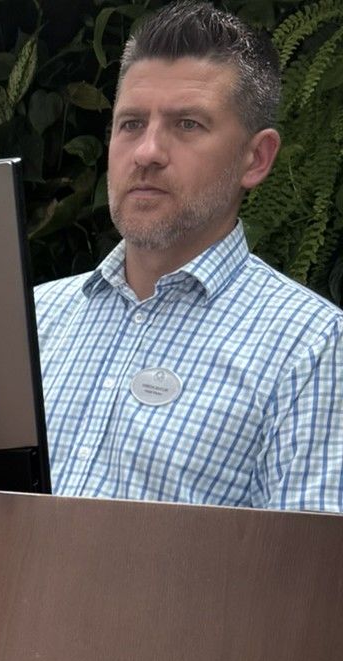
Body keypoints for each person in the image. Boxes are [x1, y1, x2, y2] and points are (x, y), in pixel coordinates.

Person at [34, 1, 343, 510]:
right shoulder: (35, 321)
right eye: (131, 123)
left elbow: (304, 583)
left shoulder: (310, 350)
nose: (148, 151)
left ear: (256, 157)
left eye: (187, 125)